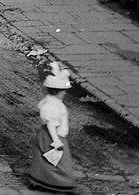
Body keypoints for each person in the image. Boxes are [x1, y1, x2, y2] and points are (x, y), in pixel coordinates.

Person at [28, 62, 79, 192]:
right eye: (63, 91)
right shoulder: (53, 106)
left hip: (46, 135)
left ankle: (39, 179)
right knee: (61, 161)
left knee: (43, 158)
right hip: (53, 135)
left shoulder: (51, 100)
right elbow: (51, 124)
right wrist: (56, 141)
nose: (65, 93)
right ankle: (63, 183)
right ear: (58, 92)